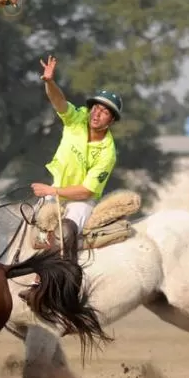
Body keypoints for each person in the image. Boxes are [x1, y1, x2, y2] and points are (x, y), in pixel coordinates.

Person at [30, 55, 122, 264]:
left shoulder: (108, 152)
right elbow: (59, 101)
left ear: (112, 120)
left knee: (67, 232)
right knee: (35, 231)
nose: (96, 114)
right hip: (56, 190)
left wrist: (51, 191)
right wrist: (49, 82)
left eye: (105, 112)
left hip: (80, 201)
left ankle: (66, 277)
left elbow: (86, 191)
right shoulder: (77, 119)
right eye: (96, 108)